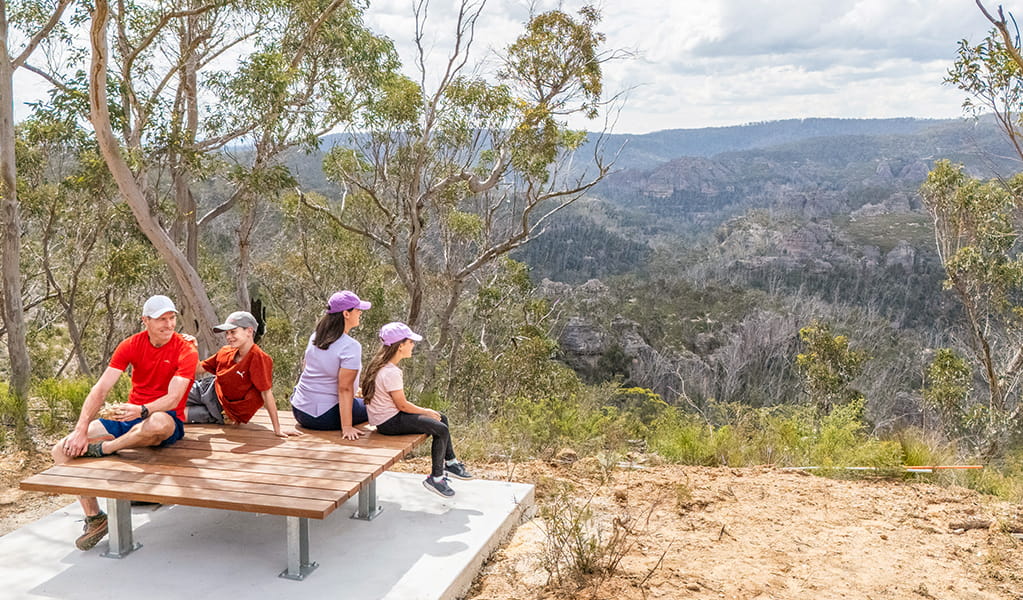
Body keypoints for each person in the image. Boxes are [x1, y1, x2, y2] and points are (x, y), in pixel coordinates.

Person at [52, 295, 199, 551]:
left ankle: (107, 448)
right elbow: (101, 389)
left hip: (162, 416)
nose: (168, 324)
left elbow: (174, 398)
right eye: (161, 319)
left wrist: (142, 410)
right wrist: (80, 430)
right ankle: (95, 518)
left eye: (171, 318)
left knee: (157, 424)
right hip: (129, 418)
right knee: (61, 451)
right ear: (145, 321)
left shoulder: (186, 349)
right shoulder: (131, 345)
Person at [361, 321, 473, 498]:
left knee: (441, 418)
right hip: (389, 422)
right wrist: (426, 411)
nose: (413, 345)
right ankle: (436, 479)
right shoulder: (391, 372)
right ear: (400, 346)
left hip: (388, 418)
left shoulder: (379, 365)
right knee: (441, 429)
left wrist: (428, 412)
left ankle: (450, 462)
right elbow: (402, 405)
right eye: (410, 342)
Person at [185, 311, 298, 438]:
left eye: (233, 332)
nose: (228, 337)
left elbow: (266, 393)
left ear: (249, 331)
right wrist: (193, 348)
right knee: (163, 394)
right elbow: (198, 368)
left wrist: (277, 429)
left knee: (175, 415)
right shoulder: (225, 351)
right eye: (227, 333)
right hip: (206, 389)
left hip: (219, 411)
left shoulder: (259, 359)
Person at [290, 290, 371, 440]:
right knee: (375, 404)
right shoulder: (351, 346)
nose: (360, 313)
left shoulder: (316, 337)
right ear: (346, 314)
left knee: (360, 400)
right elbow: (344, 388)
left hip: (299, 411)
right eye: (358, 309)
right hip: (324, 417)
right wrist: (346, 427)